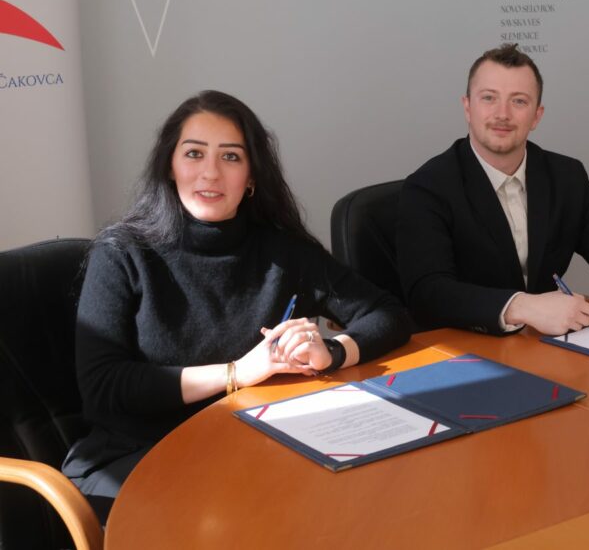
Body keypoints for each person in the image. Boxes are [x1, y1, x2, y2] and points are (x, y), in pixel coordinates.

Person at [63, 91, 412, 521]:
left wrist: (333, 351)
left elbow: (388, 314)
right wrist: (236, 373)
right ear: (170, 166)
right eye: (194, 154)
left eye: (230, 157)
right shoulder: (122, 253)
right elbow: (103, 385)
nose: (210, 172)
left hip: (246, 450)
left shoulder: (283, 252)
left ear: (251, 178)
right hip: (136, 458)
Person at [397, 44, 589, 337]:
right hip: (464, 347)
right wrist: (520, 306)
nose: (502, 114)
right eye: (489, 98)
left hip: (543, 345)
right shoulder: (428, 187)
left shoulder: (565, 176)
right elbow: (428, 293)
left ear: (537, 116)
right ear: (467, 107)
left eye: (518, 101)